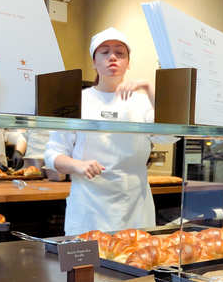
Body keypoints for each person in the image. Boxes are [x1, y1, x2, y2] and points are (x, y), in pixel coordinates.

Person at [44, 27, 156, 235]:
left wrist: (149, 87)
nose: (112, 57)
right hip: (89, 206)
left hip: (135, 206)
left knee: (135, 263)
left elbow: (168, 135)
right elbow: (52, 155)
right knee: (88, 265)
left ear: (128, 62)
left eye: (120, 53)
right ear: (94, 61)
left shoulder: (142, 102)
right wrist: (77, 165)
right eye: (104, 52)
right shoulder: (77, 101)